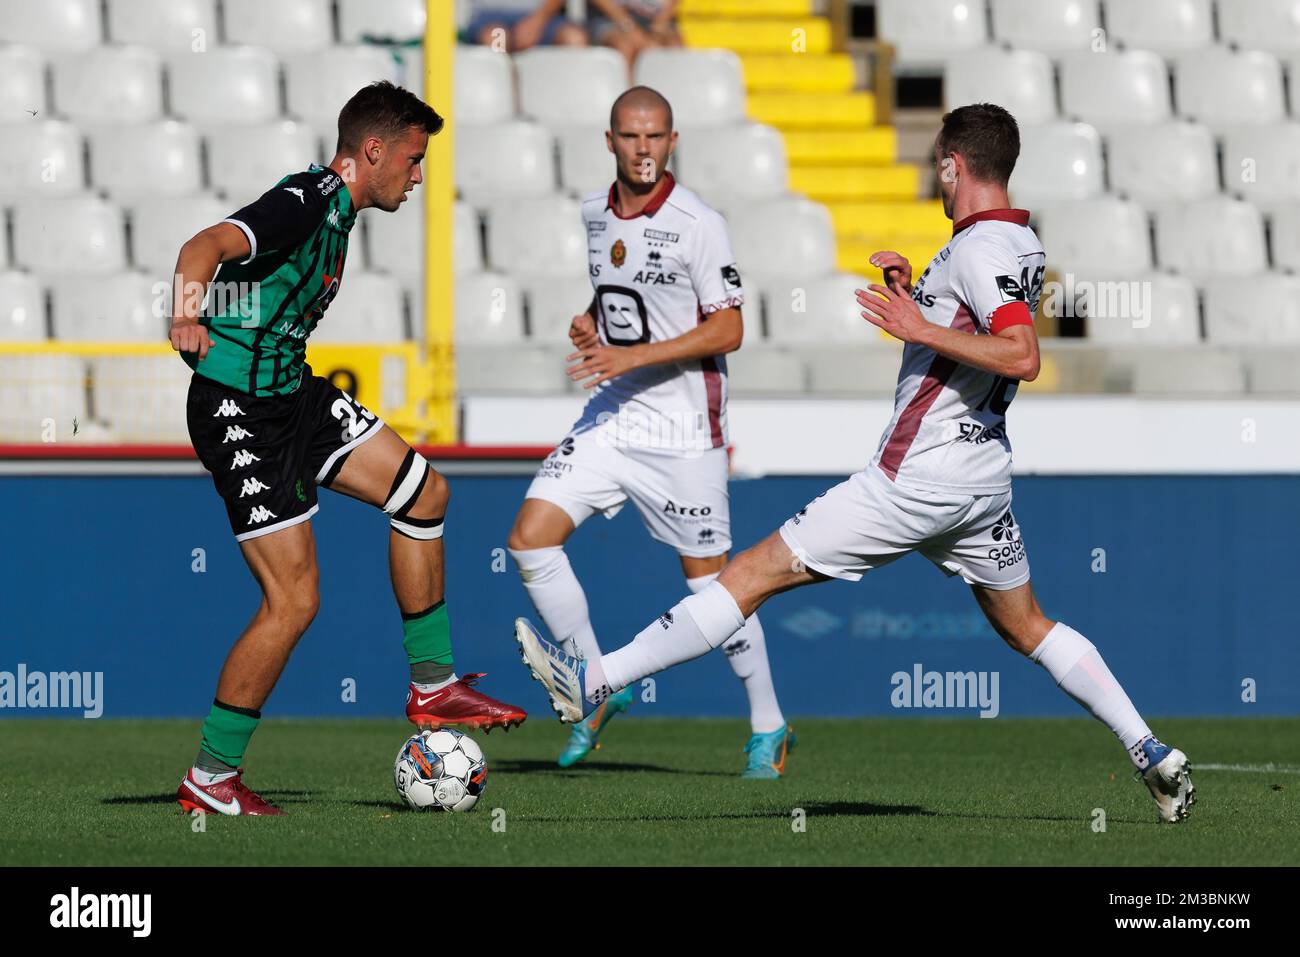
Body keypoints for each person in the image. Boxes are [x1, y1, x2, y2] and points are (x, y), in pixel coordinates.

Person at [516, 102, 1197, 824]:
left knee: (747, 574)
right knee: (1027, 624)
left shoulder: (982, 248)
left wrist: (918, 322)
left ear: (952, 165)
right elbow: (973, 329)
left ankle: (592, 677)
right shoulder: (1016, 241)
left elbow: (1021, 354)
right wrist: (919, 298)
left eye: (937, 162)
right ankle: (1150, 750)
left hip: (917, 479)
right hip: (980, 482)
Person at [169, 81, 525, 817]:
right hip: (240, 411)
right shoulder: (306, 199)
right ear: (374, 151)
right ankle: (210, 775)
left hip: (291, 394)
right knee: (293, 600)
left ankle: (432, 686)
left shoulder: (338, 213)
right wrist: (185, 313)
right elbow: (203, 245)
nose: (418, 175)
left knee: (425, 491)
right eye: (414, 159)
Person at [507, 86, 793, 778]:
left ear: (673, 142)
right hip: (615, 410)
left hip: (683, 423)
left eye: (656, 137)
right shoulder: (592, 214)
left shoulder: (699, 222)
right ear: (609, 141)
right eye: (631, 137)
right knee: (529, 539)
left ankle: (769, 723)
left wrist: (626, 353)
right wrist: (591, 321)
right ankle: (595, 689)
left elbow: (729, 327)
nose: (643, 150)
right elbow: (620, 295)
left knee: (712, 589)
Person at [466, 0, 587, 51]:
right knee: (495, 40)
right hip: (492, 16)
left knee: (573, 39)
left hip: (544, 15)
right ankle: (499, 99)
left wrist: (537, 21)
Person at [589, 0, 680, 67]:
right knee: (624, 46)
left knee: (674, 47)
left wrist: (658, 27)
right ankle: (630, 91)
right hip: (610, 18)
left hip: (653, 20)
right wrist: (629, 27)